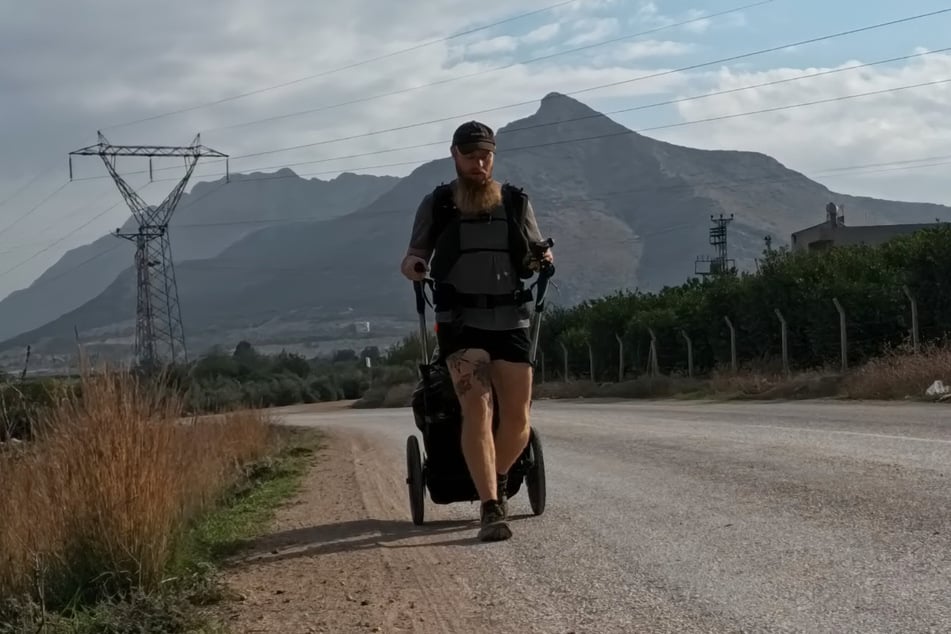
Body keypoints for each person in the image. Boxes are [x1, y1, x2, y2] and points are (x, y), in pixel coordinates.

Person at [400, 120, 553, 542]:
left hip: (511, 319)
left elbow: (537, 249)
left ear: (493, 155)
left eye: (485, 155)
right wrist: (414, 266)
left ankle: (497, 480)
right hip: (460, 324)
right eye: (470, 156)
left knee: (519, 418)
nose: (478, 163)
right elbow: (412, 256)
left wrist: (544, 259)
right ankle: (490, 507)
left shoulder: (517, 202)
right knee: (478, 410)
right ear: (455, 155)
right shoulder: (439, 204)